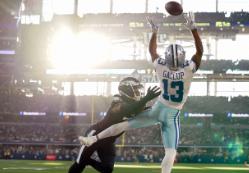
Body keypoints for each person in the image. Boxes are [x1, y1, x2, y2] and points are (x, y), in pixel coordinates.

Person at [79, 12, 203, 173]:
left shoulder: (161, 67)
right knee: (171, 152)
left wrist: (155, 31)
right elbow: (199, 51)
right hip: (172, 115)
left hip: (158, 109)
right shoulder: (188, 70)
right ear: (182, 58)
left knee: (122, 125)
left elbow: (152, 51)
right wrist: (193, 28)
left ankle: (92, 139)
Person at [69, 77, 161, 173]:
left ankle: (87, 160)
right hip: (94, 135)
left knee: (107, 169)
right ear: (127, 91)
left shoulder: (136, 105)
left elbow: (139, 109)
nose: (139, 93)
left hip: (109, 140)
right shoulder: (117, 103)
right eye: (136, 90)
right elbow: (129, 109)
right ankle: (84, 160)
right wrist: (146, 98)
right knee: (79, 165)